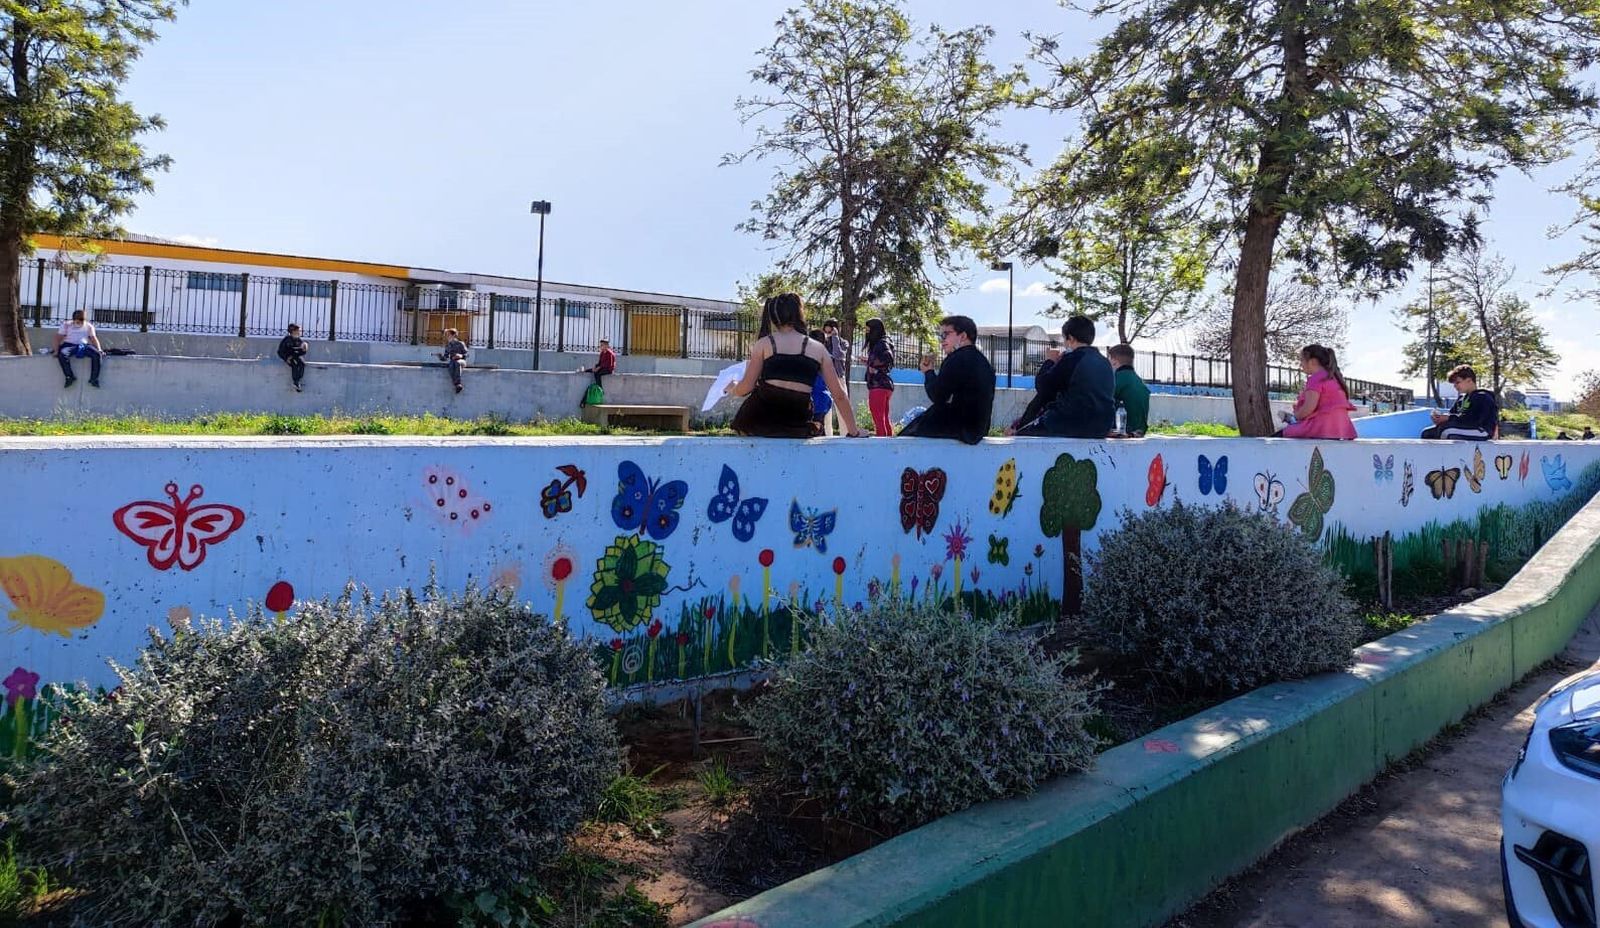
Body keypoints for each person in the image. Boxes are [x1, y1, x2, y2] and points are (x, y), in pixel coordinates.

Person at [724, 293, 865, 438]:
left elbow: (746, 388)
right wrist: (854, 431)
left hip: (760, 420)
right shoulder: (818, 349)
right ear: (799, 314)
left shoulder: (764, 344)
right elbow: (839, 395)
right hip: (797, 422)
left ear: (774, 317)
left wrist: (732, 387)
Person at [898, 315, 996, 444]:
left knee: (904, 439)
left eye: (946, 334)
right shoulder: (985, 363)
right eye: (940, 336)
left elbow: (938, 396)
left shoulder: (956, 358)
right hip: (977, 431)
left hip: (956, 428)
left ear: (963, 336)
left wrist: (928, 373)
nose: (942, 340)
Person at [1019, 315, 1113, 438]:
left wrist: (1050, 361)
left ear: (1071, 338)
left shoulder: (1073, 358)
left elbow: (1044, 387)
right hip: (1103, 425)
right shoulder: (1105, 362)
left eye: (1065, 339)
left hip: (1071, 422)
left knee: (1023, 434)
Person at [1277, 344, 1356, 440]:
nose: (1300, 364)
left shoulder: (1316, 378)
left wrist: (1295, 417)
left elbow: (1309, 407)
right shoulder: (1334, 378)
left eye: (1302, 360)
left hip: (1321, 427)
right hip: (1340, 429)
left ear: (1312, 362)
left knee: (1277, 437)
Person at [1422, 365, 1498, 440]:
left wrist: (1449, 419)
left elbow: (1474, 420)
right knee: (1428, 433)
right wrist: (1440, 419)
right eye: (1454, 383)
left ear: (1469, 380)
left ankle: (1450, 453)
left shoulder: (1483, 397)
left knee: (1447, 431)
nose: (1455, 386)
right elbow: (1452, 415)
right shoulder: (1461, 399)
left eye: (1458, 382)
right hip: (1464, 428)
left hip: (1481, 430)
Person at [860, 318, 895, 436]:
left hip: (878, 385)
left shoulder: (881, 343)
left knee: (879, 420)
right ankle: (889, 445)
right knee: (884, 419)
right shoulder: (885, 342)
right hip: (884, 384)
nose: (866, 332)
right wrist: (870, 362)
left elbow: (887, 358)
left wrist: (874, 365)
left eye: (868, 329)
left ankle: (881, 446)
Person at [1108, 344, 1151, 436]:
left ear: (1114, 362)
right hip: (1139, 433)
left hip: (1122, 433)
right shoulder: (1139, 382)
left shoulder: (1115, 380)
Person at [54, 309, 104, 388]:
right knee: (63, 354)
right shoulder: (66, 325)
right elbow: (58, 338)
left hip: (84, 345)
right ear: (73, 320)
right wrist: (56, 351)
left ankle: (94, 379)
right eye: (77, 321)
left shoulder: (88, 326)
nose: (79, 323)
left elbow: (93, 339)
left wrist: (99, 349)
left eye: (81, 321)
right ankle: (69, 377)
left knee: (97, 355)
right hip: (69, 345)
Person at [822, 319, 848, 434]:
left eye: (830, 331)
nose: (828, 334)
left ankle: (845, 432)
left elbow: (838, 355)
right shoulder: (823, 343)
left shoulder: (843, 342)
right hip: (825, 378)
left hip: (838, 377)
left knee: (842, 407)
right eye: (826, 332)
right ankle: (827, 434)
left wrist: (835, 338)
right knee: (826, 409)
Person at [809, 328, 835, 436]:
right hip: (823, 398)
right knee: (820, 427)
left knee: (814, 429)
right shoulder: (826, 357)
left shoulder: (808, 357)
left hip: (813, 398)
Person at [579, 338, 616, 406]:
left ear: (606, 345)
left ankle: (599, 386)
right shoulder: (602, 353)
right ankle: (585, 370)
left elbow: (609, 365)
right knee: (593, 370)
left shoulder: (610, 354)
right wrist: (596, 367)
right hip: (601, 368)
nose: (601, 347)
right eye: (600, 345)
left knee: (597, 373)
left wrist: (599, 368)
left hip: (608, 370)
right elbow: (599, 363)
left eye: (602, 345)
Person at [277, 323, 309, 392]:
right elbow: (280, 351)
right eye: (298, 330)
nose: (300, 332)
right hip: (289, 357)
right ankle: (295, 382)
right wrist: (286, 358)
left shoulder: (298, 340)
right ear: (293, 331)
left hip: (295, 356)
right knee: (295, 364)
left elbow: (301, 350)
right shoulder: (287, 340)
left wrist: (304, 348)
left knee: (302, 364)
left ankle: (298, 380)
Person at [439, 328, 469, 394]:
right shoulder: (448, 346)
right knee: (451, 365)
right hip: (453, 362)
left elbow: (467, 354)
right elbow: (445, 358)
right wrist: (441, 357)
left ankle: (458, 383)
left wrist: (460, 356)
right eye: (446, 335)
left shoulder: (460, 343)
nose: (447, 337)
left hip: (461, 361)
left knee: (457, 363)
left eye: (448, 335)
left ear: (454, 335)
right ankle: (457, 385)